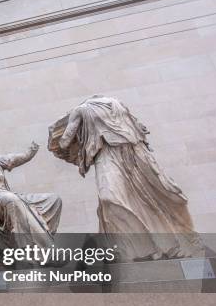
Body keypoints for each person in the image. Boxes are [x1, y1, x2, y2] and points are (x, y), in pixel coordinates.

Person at [57, 95, 199, 260]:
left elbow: (64, 142)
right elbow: (139, 128)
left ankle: (163, 245)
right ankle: (139, 248)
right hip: (116, 154)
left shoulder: (83, 109)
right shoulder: (113, 105)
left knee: (146, 197)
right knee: (111, 198)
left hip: (131, 154)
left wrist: (73, 143)